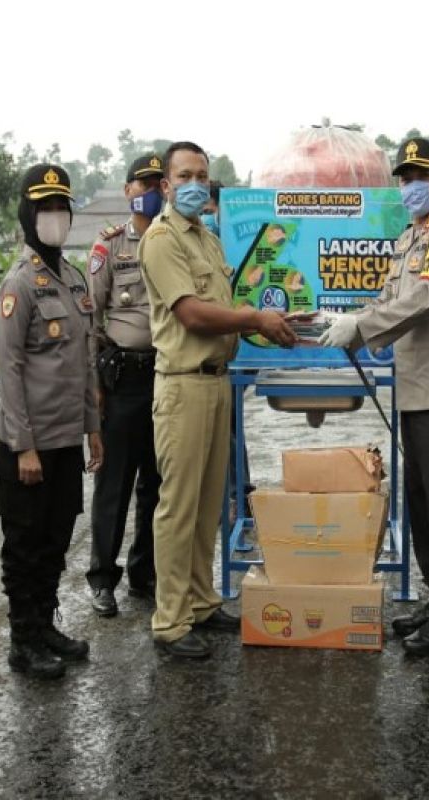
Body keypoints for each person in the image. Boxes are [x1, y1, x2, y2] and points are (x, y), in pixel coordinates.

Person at [320, 137, 429, 658]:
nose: (411, 185)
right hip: (413, 392)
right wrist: (343, 318)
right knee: (424, 503)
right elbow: (389, 299)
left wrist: (361, 327)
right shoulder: (410, 237)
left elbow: (424, 298)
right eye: (404, 177)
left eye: (420, 175)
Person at [139, 141, 295, 660]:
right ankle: (170, 620)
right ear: (165, 184)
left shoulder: (206, 238)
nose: (195, 183)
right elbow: (193, 314)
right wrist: (255, 319)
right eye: (185, 174)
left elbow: (224, 305)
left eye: (202, 175)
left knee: (209, 503)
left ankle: (201, 602)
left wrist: (268, 320)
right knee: (178, 507)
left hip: (216, 381)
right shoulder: (162, 240)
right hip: (182, 384)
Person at [0, 164, 103, 680]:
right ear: (27, 214)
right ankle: (24, 639)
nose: (55, 217)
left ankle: (46, 624)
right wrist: (23, 446)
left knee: (58, 536)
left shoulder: (75, 280)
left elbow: (84, 363)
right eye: (45, 208)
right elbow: (9, 369)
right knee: (25, 545)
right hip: (29, 444)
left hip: (65, 440)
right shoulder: (20, 284)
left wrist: (93, 428)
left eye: (61, 207)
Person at [85, 154, 165, 618]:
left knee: (156, 484)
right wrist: (94, 383)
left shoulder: (172, 240)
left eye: (159, 182)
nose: (152, 189)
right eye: (145, 182)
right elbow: (90, 317)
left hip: (164, 376)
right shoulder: (110, 247)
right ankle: (102, 579)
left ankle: (144, 574)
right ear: (128, 188)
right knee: (113, 483)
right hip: (122, 379)